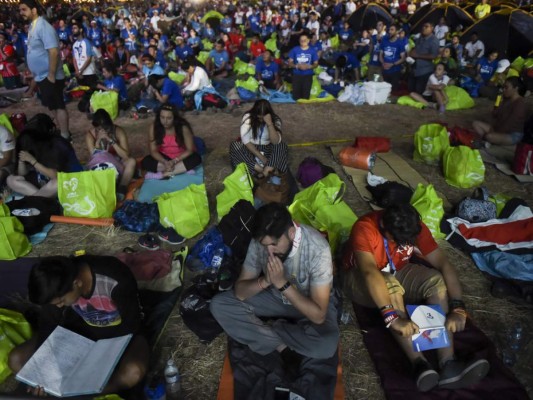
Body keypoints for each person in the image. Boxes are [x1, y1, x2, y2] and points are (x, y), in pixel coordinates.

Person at [341, 204, 490, 392]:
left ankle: (448, 362)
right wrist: (392, 318)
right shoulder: (365, 228)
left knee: (435, 281)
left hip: (395, 270)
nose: (405, 245)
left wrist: (458, 307)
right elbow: (370, 273)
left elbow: (443, 263)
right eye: (398, 240)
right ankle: (419, 363)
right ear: (385, 229)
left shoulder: (412, 225)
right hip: (358, 277)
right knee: (389, 285)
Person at [210, 203, 339, 363]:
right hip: (275, 298)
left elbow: (318, 316)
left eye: (274, 244)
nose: (269, 251)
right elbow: (241, 292)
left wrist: (282, 284)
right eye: (265, 245)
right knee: (220, 305)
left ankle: (271, 330)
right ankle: (282, 346)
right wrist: (265, 281)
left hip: (308, 304)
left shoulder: (317, 249)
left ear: (291, 233)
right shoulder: (260, 243)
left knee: (326, 345)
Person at [7, 255, 149, 396]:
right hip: (79, 335)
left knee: (133, 372)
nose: (59, 306)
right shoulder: (57, 285)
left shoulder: (115, 279)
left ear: (77, 283)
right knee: (16, 359)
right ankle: (66, 390)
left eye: (61, 301)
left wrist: (99, 357)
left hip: (120, 337)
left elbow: (131, 324)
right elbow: (48, 323)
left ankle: (77, 393)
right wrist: (40, 373)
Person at [19, 0, 70, 140]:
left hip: (50, 75)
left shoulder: (43, 26)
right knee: (52, 105)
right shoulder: (32, 27)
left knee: (59, 105)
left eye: (24, 9)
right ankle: (60, 130)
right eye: (20, 10)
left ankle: (65, 135)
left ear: (34, 10)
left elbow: (53, 51)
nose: (21, 13)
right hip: (42, 76)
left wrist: (51, 75)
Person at [7, 114, 83, 198]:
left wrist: (33, 161)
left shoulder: (58, 144)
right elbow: (22, 174)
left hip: (69, 180)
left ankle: (38, 199)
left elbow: (55, 175)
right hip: (44, 184)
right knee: (11, 179)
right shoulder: (32, 143)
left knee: (56, 182)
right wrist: (22, 160)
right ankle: (40, 197)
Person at [229, 99, 288, 178]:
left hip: (268, 148)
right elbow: (245, 140)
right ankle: (264, 171)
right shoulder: (248, 117)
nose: (261, 119)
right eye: (259, 116)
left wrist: (270, 123)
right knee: (235, 146)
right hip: (251, 149)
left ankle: (264, 173)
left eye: (264, 116)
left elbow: (275, 142)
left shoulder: (275, 120)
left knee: (282, 146)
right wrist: (262, 158)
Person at [85, 109, 136, 199]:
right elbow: (94, 157)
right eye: (100, 129)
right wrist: (98, 142)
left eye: (106, 128)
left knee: (131, 161)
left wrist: (111, 141)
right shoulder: (90, 135)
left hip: (117, 162)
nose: (104, 132)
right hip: (102, 166)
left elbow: (125, 156)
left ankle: (121, 187)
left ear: (111, 125)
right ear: (96, 127)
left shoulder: (118, 131)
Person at [141, 104, 201, 178]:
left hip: (181, 157)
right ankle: (182, 169)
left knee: (196, 158)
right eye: (162, 117)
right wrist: (165, 162)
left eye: (169, 118)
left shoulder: (183, 127)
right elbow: (153, 151)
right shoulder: (154, 127)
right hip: (164, 157)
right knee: (146, 161)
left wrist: (174, 161)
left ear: (175, 118)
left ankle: (163, 174)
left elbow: (190, 150)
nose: (165, 121)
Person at [472, 77, 528, 146]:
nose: (503, 90)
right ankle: (488, 141)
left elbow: (510, 123)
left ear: (516, 88)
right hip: (498, 129)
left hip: (512, 134)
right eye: (503, 87)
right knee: (475, 124)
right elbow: (495, 114)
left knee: (490, 136)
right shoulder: (506, 99)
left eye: (506, 87)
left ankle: (487, 140)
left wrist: (496, 132)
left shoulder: (520, 103)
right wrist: (499, 103)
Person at [408, 22, 440, 95]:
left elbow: (434, 55)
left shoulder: (434, 40)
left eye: (426, 26)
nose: (424, 28)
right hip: (414, 68)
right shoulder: (420, 38)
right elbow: (415, 48)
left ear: (432, 28)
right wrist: (411, 51)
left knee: (419, 92)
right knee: (410, 89)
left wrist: (417, 55)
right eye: (423, 26)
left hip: (424, 70)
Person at [288, 33, 318, 100]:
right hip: (296, 75)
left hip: (308, 75)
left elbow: (316, 64)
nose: (303, 41)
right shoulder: (294, 49)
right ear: (299, 41)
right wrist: (297, 66)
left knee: (306, 97)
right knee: (295, 98)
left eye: (304, 40)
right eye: (301, 40)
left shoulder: (312, 51)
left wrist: (309, 67)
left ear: (308, 41)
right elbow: (290, 63)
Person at [379, 24, 406, 92]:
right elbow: (380, 54)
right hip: (384, 70)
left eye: (392, 30)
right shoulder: (384, 41)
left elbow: (403, 58)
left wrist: (393, 64)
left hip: (395, 71)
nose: (390, 31)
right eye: (389, 30)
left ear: (396, 32)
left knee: (393, 91)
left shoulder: (400, 43)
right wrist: (383, 63)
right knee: (384, 90)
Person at [71, 23, 98, 89]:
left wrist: (81, 71)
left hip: (89, 72)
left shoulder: (87, 42)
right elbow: (74, 59)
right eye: (72, 28)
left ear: (80, 30)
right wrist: (77, 71)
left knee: (92, 91)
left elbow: (89, 58)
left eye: (75, 28)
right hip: (80, 74)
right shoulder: (74, 45)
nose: (73, 30)